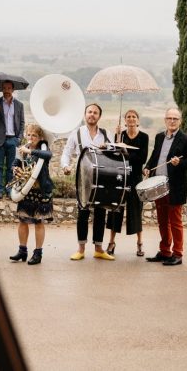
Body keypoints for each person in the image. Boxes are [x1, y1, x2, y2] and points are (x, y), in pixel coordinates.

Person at [143, 107, 187, 266]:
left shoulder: (186, 139)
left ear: (180, 121)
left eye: (175, 118)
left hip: (174, 187)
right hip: (157, 185)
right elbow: (154, 156)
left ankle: (178, 254)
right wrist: (147, 167)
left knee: (175, 222)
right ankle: (165, 251)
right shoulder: (159, 137)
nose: (172, 121)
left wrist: (180, 162)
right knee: (162, 220)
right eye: (169, 118)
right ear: (165, 120)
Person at [62, 103, 114, 261]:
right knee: (83, 214)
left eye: (95, 112)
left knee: (100, 213)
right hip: (83, 178)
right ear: (85, 115)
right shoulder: (76, 133)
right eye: (89, 112)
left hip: (101, 177)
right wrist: (65, 166)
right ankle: (81, 249)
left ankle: (99, 249)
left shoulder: (106, 134)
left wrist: (108, 147)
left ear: (99, 116)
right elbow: (66, 152)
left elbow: (115, 153)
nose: (92, 114)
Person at [105, 109, 149, 256]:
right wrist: (117, 140)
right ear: (125, 120)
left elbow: (142, 158)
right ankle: (111, 242)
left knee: (136, 209)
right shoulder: (120, 135)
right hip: (120, 176)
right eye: (128, 117)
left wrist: (127, 154)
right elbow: (114, 156)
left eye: (134, 116)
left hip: (135, 177)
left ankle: (140, 243)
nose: (131, 119)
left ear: (138, 120)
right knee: (115, 209)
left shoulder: (144, 137)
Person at [8, 123, 53, 265]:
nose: (31, 137)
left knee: (38, 222)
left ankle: (38, 253)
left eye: (34, 135)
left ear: (40, 138)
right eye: (29, 134)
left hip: (40, 191)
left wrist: (29, 152)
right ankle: (22, 251)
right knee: (22, 221)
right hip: (26, 191)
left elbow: (48, 155)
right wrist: (15, 169)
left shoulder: (43, 149)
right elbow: (15, 162)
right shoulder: (23, 149)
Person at [0, 80, 25, 199]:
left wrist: (19, 138)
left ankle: (8, 189)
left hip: (13, 140)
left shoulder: (19, 105)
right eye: (4, 88)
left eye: (9, 88)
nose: (7, 90)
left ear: (13, 90)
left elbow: (22, 122)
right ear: (2, 89)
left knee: (11, 167)